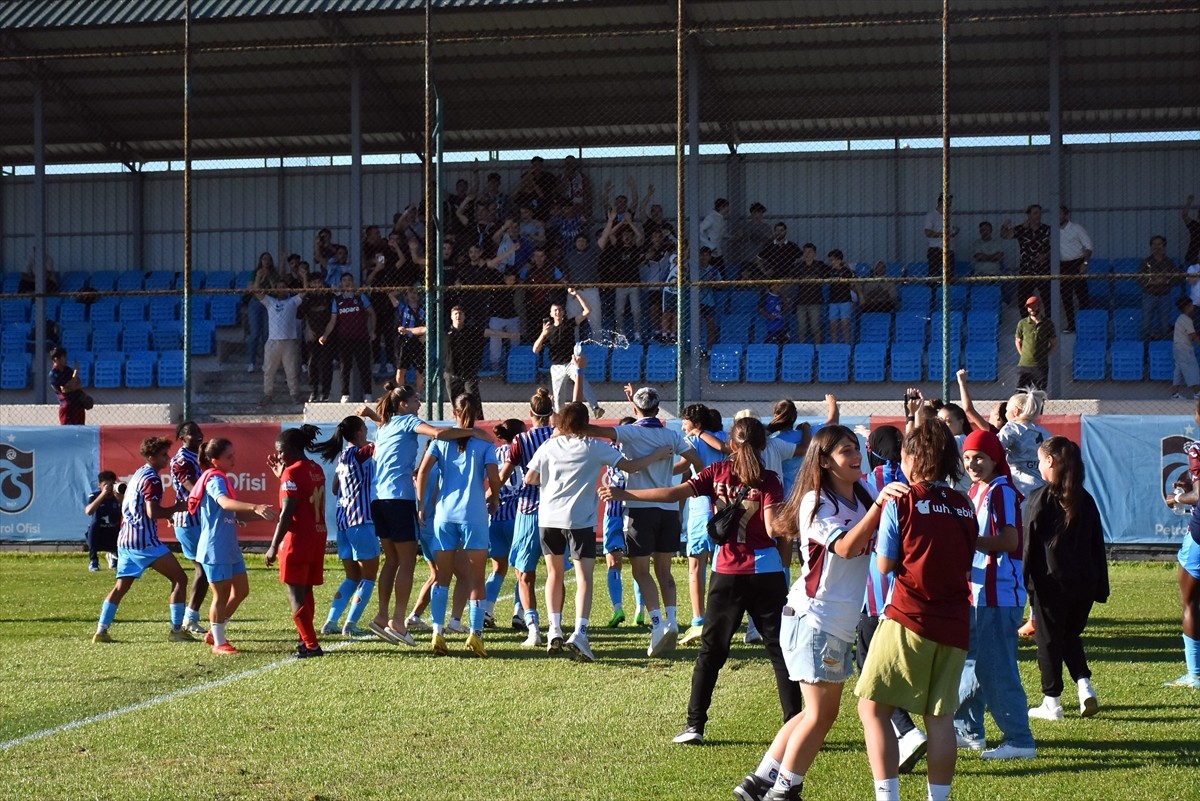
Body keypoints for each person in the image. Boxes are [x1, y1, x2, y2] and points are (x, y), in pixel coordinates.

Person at [603, 417, 803, 752]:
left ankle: (695, 725)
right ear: (764, 446)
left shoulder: (717, 473)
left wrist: (627, 493)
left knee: (711, 652)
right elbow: (773, 529)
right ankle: (794, 725)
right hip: (767, 572)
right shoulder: (769, 479)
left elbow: (672, 491)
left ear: (731, 445)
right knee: (780, 652)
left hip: (726, 572)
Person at [733, 426, 908, 800]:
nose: (857, 455)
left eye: (857, 448)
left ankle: (758, 782)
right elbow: (844, 547)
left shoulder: (863, 495)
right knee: (819, 716)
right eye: (846, 451)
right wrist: (878, 509)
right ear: (825, 461)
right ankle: (785, 790)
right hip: (814, 618)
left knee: (814, 714)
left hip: (838, 622)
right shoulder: (817, 500)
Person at [855, 422, 978, 801]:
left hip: (909, 616)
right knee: (939, 718)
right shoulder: (965, 503)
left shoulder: (902, 500)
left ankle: (886, 796)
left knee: (872, 708)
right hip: (956, 622)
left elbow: (885, 565)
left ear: (912, 457)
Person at [524, 403, 669, 661]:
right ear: (586, 422)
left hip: (548, 518)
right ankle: (580, 632)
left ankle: (554, 628)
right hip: (579, 520)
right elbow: (631, 467)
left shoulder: (549, 445)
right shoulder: (594, 447)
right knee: (584, 578)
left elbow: (530, 479)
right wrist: (658, 454)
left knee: (553, 574)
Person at [359, 382, 484, 647]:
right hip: (399, 499)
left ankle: (383, 616)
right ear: (403, 405)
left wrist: (372, 415)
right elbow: (437, 433)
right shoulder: (407, 421)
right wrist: (472, 432)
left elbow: (383, 425)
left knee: (391, 561)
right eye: (416, 400)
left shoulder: (384, 427)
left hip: (379, 500)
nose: (419, 404)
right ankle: (399, 621)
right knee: (407, 562)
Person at [584, 385, 702, 657]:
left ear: (636, 410)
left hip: (639, 509)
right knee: (665, 571)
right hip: (668, 510)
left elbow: (596, 431)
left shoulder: (629, 432)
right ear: (658, 409)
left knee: (640, 571)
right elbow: (696, 460)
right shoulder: (671, 435)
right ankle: (672, 620)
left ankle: (659, 624)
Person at [954, 430, 1037, 759]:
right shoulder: (978, 489)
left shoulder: (1001, 490)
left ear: (994, 459)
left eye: (979, 457)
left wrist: (966, 540)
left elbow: (1010, 540)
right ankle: (968, 730)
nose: (972, 464)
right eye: (967, 458)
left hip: (999, 593)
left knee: (996, 667)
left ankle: (1019, 739)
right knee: (972, 661)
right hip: (979, 593)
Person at [856, 426, 928, 776]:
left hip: (877, 585)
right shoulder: (919, 480)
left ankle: (906, 731)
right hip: (913, 589)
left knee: (869, 666)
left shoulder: (869, 482)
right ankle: (908, 730)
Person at [1025, 436, 1109, 719]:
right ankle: (1085, 687)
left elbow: (1028, 546)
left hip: (1050, 585)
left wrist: (1024, 583)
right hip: (1084, 584)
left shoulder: (1040, 499)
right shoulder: (1085, 500)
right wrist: (1100, 587)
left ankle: (1052, 702)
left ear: (1050, 461)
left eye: (1040, 460)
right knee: (1069, 635)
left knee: (1048, 641)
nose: (1038, 466)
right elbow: (1098, 545)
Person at [415, 394, 502, 658]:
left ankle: (437, 632)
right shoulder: (485, 442)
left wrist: (421, 504)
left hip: (443, 516)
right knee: (476, 577)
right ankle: (475, 636)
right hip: (473, 515)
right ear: (477, 412)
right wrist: (495, 497)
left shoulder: (439, 441)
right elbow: (494, 477)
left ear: (454, 412)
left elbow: (422, 472)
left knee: (442, 576)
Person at [92, 438, 195, 645]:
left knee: (121, 587)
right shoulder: (153, 480)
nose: (167, 458)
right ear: (151, 457)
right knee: (180, 579)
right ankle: (176, 630)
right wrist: (177, 508)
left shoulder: (139, 473)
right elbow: (152, 511)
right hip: (144, 541)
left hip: (126, 541)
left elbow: (133, 503)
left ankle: (101, 631)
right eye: (163, 455)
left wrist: (165, 514)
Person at [191, 438, 277, 655]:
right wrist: (255, 506)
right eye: (229, 457)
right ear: (214, 460)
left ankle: (214, 632)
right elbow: (224, 503)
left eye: (233, 455)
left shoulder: (222, 477)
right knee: (220, 595)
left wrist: (265, 515)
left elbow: (232, 512)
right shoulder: (214, 479)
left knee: (241, 591)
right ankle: (219, 643)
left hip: (228, 546)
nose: (234, 460)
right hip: (215, 547)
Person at [498, 388, 557, 647]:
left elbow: (504, 474)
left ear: (531, 413)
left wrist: (490, 495)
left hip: (530, 509)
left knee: (524, 573)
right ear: (551, 412)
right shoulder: (559, 436)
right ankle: (556, 626)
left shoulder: (521, 440)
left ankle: (533, 629)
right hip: (557, 510)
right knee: (556, 574)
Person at [263, 426, 329, 658]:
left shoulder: (291, 474)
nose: (279, 456)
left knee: (295, 593)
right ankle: (305, 640)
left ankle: (311, 645)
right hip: (317, 535)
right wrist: (283, 474)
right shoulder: (316, 468)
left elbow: (287, 513)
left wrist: (273, 546)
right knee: (306, 590)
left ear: (291, 449)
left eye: (280, 451)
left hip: (297, 539)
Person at [312, 416, 381, 638]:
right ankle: (350, 624)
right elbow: (384, 443)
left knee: (353, 577)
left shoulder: (343, 456)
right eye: (364, 428)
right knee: (369, 576)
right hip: (361, 520)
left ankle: (331, 621)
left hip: (343, 523)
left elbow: (335, 489)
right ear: (360, 432)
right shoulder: (361, 453)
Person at [676, 405, 727, 646]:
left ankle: (699, 621)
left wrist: (653, 465)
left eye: (685, 421)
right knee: (723, 565)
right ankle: (722, 619)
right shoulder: (725, 438)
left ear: (694, 422)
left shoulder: (693, 440)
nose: (682, 425)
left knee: (696, 566)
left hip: (700, 508)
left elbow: (682, 468)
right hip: (725, 506)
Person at [1164, 400, 1200, 688]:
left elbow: (1199, 495)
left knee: (1190, 601)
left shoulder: (1196, 449)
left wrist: (1177, 497)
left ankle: (1195, 674)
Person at [484, 419, 526, 629]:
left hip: (495, 516)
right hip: (518, 516)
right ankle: (519, 613)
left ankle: (486, 610)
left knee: (498, 568)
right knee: (522, 568)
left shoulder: (495, 453)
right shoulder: (523, 450)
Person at [534, 288, 603, 416]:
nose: (558, 312)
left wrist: (577, 295)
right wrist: (543, 334)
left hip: (571, 362)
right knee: (559, 399)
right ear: (551, 313)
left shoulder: (569, 323)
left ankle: (596, 408)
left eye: (560, 310)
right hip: (556, 366)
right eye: (555, 310)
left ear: (563, 312)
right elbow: (535, 349)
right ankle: (560, 419)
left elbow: (587, 311)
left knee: (582, 381)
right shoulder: (548, 331)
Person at [170, 421, 209, 635]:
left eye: (199, 431)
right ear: (182, 437)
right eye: (192, 433)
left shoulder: (199, 455)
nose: (198, 435)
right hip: (188, 519)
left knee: (208, 568)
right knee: (202, 568)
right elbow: (193, 489)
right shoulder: (182, 460)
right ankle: (189, 618)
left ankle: (192, 616)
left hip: (201, 517)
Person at [318, 272, 376, 404]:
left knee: (364, 367)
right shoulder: (337, 300)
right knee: (345, 367)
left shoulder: (360, 297)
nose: (347, 282)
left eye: (349, 280)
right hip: (345, 339)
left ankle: (368, 394)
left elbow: (372, 313)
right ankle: (345, 394)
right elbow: (333, 321)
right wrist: (325, 335)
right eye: (344, 280)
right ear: (341, 283)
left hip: (361, 338)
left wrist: (372, 330)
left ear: (353, 282)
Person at [998, 387, 1052, 501]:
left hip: (1020, 483)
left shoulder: (1012, 428)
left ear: (1015, 411)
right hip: (1043, 484)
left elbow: (995, 448)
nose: (1006, 413)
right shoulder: (1044, 432)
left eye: (1007, 410)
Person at [257, 282, 305, 406]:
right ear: (275, 289)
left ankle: (294, 394)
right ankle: (268, 394)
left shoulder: (292, 302)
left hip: (289, 341)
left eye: (284, 287)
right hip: (273, 341)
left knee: (291, 371)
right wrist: (258, 278)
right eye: (279, 287)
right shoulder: (270, 302)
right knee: (269, 370)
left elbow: (304, 292)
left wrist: (304, 277)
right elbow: (257, 293)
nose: (282, 289)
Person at [1001, 205, 1052, 307]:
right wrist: (1004, 226)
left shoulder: (1047, 229)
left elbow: (1055, 247)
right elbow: (1005, 235)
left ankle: (1047, 321)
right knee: (1023, 299)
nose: (1039, 215)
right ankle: (1026, 321)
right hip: (1026, 269)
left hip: (1043, 269)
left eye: (1040, 213)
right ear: (1028, 215)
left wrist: (1046, 256)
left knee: (1047, 299)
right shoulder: (1022, 229)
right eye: (1035, 213)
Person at [298, 271, 334, 402]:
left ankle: (326, 393)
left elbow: (333, 316)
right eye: (314, 282)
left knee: (326, 363)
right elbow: (301, 314)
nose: (316, 285)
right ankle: (314, 391)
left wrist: (325, 334)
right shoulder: (308, 297)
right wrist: (308, 328)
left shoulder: (329, 296)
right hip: (312, 334)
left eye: (319, 282)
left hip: (327, 335)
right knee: (312, 363)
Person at [1057, 206, 1094, 333]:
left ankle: (1086, 325)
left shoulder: (1076, 228)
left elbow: (1088, 247)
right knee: (1066, 296)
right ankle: (1071, 325)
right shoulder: (1053, 231)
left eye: (1060, 213)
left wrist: (1084, 262)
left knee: (1082, 294)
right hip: (1062, 265)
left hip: (1077, 262)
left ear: (1066, 215)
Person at [1140, 235, 1180, 340]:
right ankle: (1145, 347)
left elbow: (1177, 278)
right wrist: (1154, 281)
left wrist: (1165, 280)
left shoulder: (1169, 262)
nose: (1156, 247)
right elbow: (1140, 279)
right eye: (1154, 244)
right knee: (1146, 324)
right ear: (1150, 246)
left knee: (1164, 324)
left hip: (1164, 296)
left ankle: (1164, 345)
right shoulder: (1146, 262)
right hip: (1149, 295)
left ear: (1164, 246)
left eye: (1159, 244)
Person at [1014, 296, 1057, 391]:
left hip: (1041, 365)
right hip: (1024, 365)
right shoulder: (1022, 323)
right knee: (1020, 393)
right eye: (1029, 307)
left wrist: (1046, 354)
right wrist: (1022, 354)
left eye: (1034, 306)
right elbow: (1018, 341)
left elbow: (1053, 343)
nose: (1031, 309)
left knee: (1040, 392)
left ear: (1039, 306)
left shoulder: (1047, 323)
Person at [84, 471, 122, 572]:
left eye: (111, 484)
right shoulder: (94, 496)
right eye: (105, 485)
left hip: (114, 532)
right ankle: (93, 561)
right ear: (99, 485)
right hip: (98, 533)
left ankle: (114, 555)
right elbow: (88, 511)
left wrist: (120, 498)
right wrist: (103, 494)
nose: (109, 488)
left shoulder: (118, 497)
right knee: (93, 526)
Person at [245, 252, 277, 373]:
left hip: (269, 303)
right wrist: (259, 278)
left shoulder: (274, 273)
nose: (266, 262)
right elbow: (252, 289)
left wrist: (269, 278)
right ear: (260, 260)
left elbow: (275, 291)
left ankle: (266, 362)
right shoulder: (255, 272)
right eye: (264, 259)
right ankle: (251, 362)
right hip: (256, 303)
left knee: (266, 334)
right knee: (254, 334)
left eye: (268, 259)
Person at [392, 285, 427, 389]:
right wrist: (402, 288)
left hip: (419, 341)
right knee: (401, 369)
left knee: (420, 370)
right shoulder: (402, 307)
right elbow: (390, 295)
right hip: (404, 341)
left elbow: (424, 328)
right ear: (406, 295)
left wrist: (407, 330)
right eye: (410, 293)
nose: (413, 295)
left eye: (416, 293)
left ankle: (418, 393)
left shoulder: (423, 310)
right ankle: (400, 391)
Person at [48, 347, 89, 425]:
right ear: (56, 359)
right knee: (68, 432)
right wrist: (75, 374)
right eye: (63, 357)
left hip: (78, 405)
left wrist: (72, 386)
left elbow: (79, 384)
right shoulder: (54, 374)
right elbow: (64, 389)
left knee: (80, 431)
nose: (66, 359)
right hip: (67, 407)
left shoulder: (67, 370)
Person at [1171, 297, 1200, 400]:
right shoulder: (1187, 320)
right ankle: (1197, 393)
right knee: (1193, 370)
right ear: (1187, 307)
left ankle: (1175, 394)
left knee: (1178, 371)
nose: (1193, 307)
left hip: (1178, 348)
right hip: (1184, 349)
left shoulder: (1180, 318)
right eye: (1192, 305)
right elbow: (1193, 336)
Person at [924, 193, 959, 277]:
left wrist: (955, 231)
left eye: (950, 203)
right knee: (934, 274)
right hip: (935, 249)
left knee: (950, 275)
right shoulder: (931, 215)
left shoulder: (950, 216)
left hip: (949, 248)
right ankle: (934, 288)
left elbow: (952, 229)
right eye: (947, 203)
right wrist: (943, 234)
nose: (949, 205)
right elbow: (927, 232)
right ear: (941, 202)